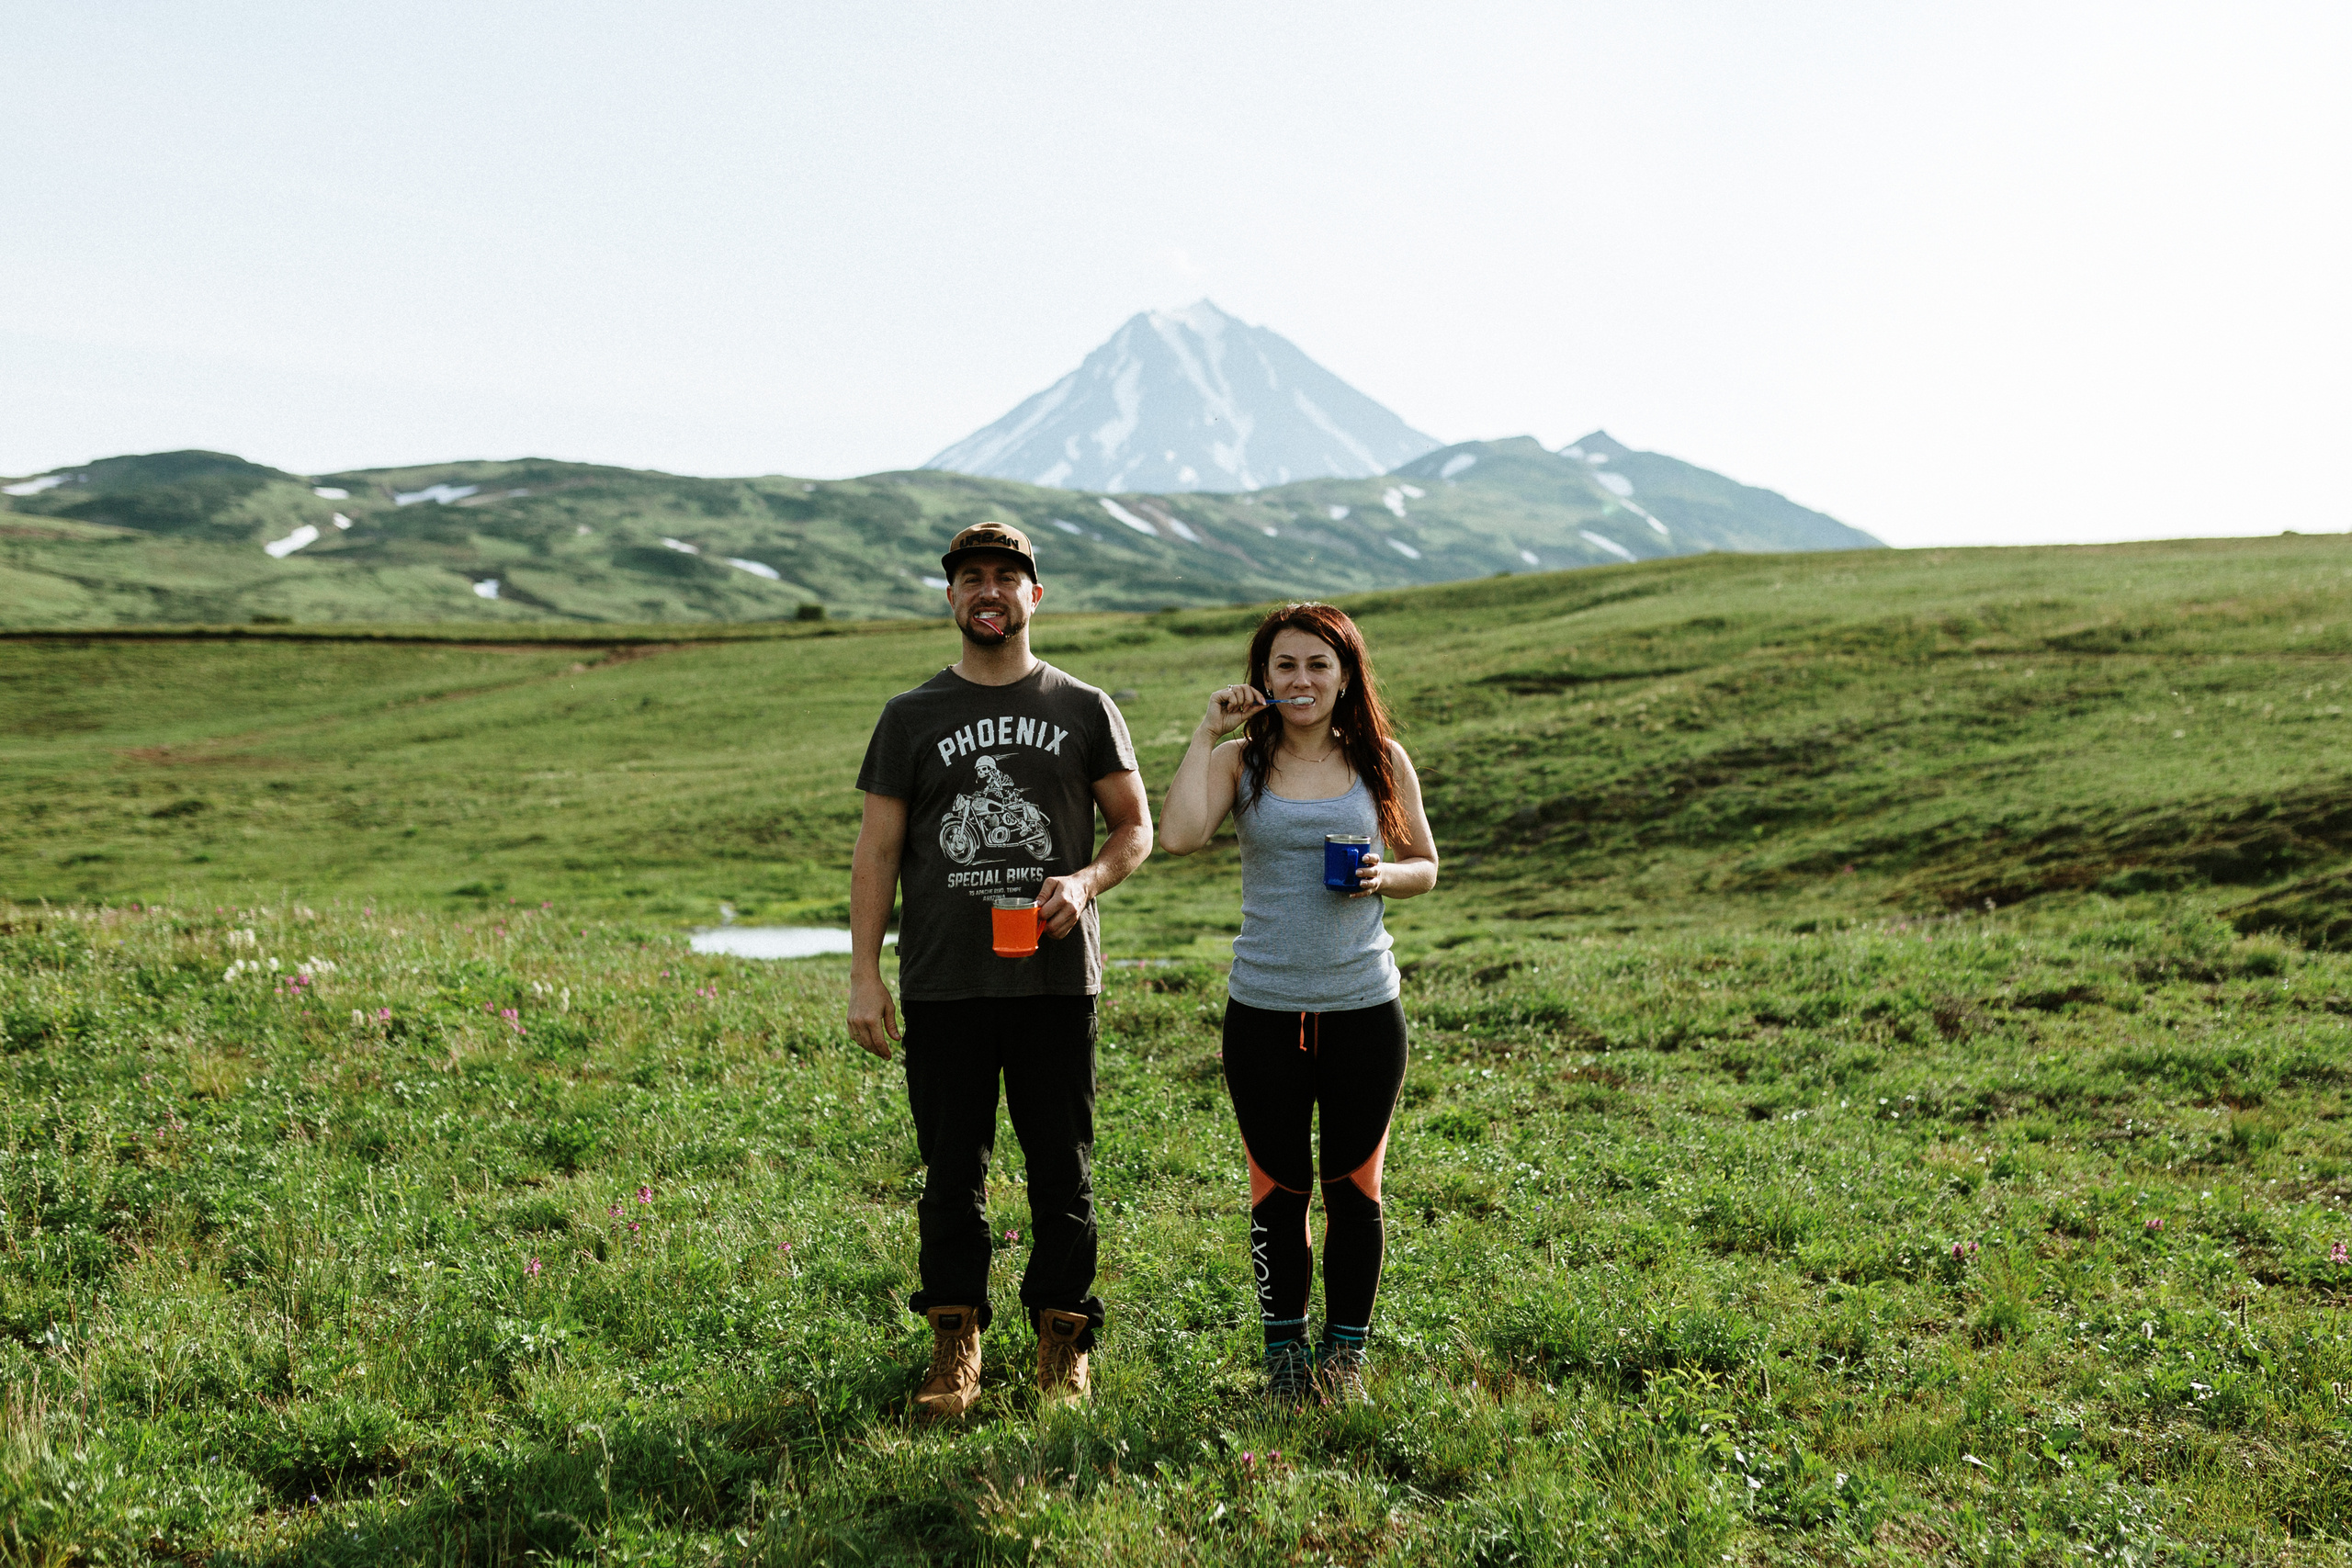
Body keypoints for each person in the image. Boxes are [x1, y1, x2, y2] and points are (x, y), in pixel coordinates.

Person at [847, 521, 1152, 1420]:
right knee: (949, 1171)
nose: (988, 592)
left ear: (1034, 596)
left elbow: (1133, 829)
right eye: (970, 578)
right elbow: (877, 850)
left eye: (1005, 578)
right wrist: (865, 974)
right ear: (951, 598)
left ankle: (1063, 1340)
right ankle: (954, 1341)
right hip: (943, 979)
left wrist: (1087, 880)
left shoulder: (1083, 706)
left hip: (1055, 981)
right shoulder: (910, 716)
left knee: (1063, 1167)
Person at [1158, 602, 1439, 1408]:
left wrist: (1388, 876)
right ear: (1263, 677)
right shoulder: (1240, 762)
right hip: (1264, 1012)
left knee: (1356, 1189)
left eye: (1318, 663)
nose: (1302, 679)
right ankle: (1284, 1356)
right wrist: (1205, 733)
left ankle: (1343, 1356)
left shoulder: (1381, 758)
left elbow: (1425, 861)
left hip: (1363, 1008)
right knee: (1278, 1190)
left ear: (1345, 673)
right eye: (1285, 665)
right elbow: (1177, 836)